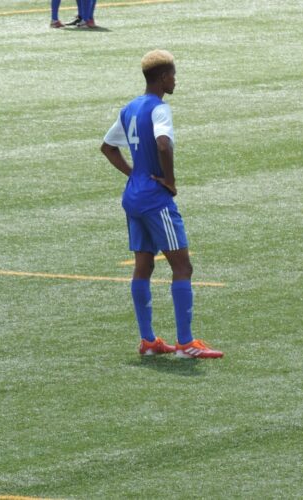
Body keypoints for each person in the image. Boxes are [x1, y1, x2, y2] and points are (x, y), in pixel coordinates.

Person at [100, 49, 224, 359]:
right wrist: (170, 181)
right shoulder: (159, 109)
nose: (176, 81)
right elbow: (163, 144)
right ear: (163, 77)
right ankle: (185, 344)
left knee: (143, 266)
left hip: (133, 196)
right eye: (173, 76)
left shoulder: (129, 108)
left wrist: (134, 174)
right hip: (155, 200)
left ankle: (148, 342)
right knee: (182, 266)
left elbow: (107, 147)